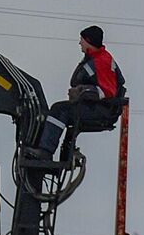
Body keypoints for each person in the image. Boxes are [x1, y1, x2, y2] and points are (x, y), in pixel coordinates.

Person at [33, 25, 126, 158]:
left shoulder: (101, 61)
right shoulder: (94, 58)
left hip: (101, 110)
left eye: (81, 39)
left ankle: (45, 152)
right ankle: (48, 150)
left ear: (89, 41)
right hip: (97, 106)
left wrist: (83, 91)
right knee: (58, 109)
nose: (79, 43)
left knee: (59, 110)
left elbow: (108, 91)